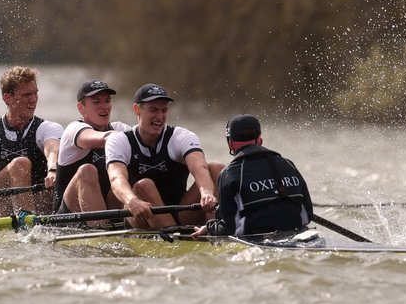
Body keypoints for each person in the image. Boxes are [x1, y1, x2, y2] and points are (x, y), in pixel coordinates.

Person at [105, 83, 222, 229]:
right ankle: (175, 240)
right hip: (141, 215)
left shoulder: (181, 136)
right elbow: (116, 178)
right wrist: (131, 201)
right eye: (153, 110)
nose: (159, 117)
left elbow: (199, 167)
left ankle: (214, 230)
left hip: (179, 211)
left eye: (164, 110)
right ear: (137, 109)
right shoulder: (119, 141)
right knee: (144, 185)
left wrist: (207, 193)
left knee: (216, 169)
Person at [194, 114, 313, 237]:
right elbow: (308, 213)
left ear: (230, 144)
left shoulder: (229, 173)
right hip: (299, 232)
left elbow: (229, 228)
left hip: (258, 239)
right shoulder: (288, 164)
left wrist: (210, 227)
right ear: (260, 140)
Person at [0, 66, 63, 215]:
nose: (33, 100)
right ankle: (28, 227)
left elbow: (52, 150)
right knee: (20, 163)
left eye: (35, 93)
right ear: (8, 98)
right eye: (26, 95)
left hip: (37, 200)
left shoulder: (48, 128)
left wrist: (53, 170)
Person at [56, 79, 131, 215]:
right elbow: (103, 138)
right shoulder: (74, 129)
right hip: (67, 217)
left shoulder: (120, 128)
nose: (104, 106)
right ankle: (102, 229)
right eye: (96, 102)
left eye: (107, 101)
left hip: (109, 206)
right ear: (81, 108)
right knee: (87, 171)